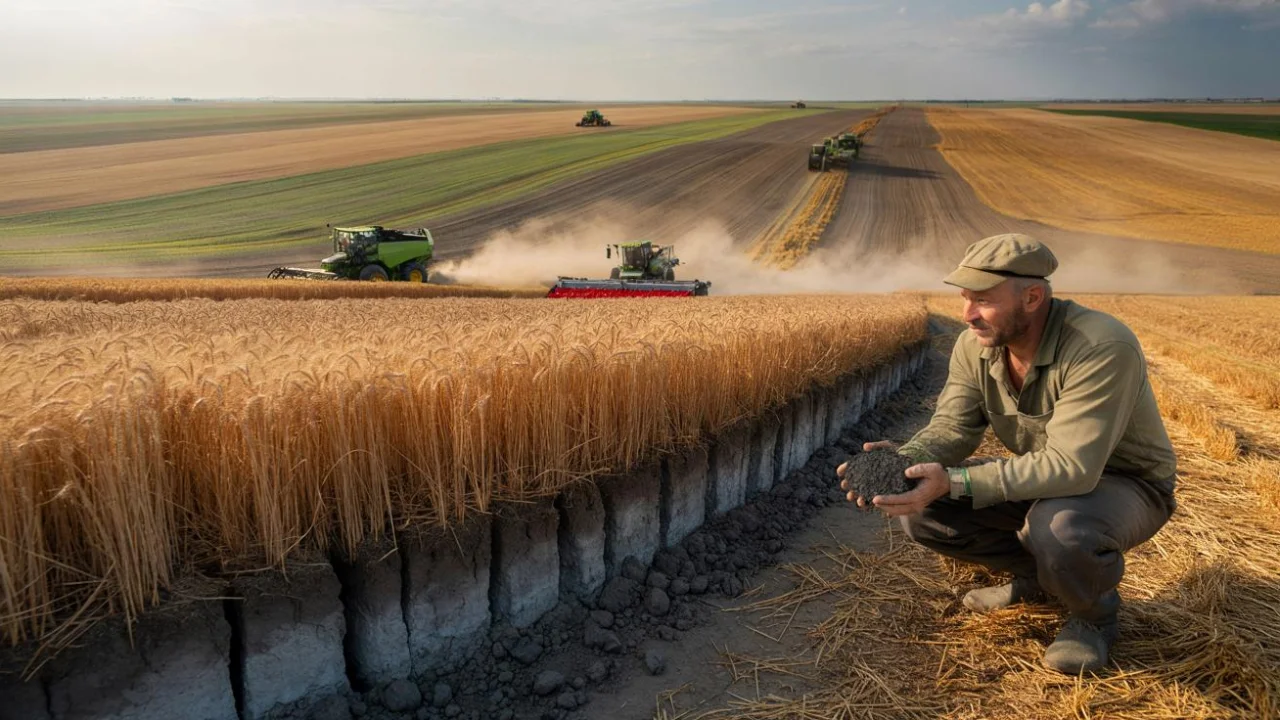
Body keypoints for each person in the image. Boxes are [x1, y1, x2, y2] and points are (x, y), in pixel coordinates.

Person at [838, 233, 1178, 674]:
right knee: (925, 513)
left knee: (1059, 528)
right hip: (1042, 478)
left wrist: (957, 479)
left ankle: (1094, 616)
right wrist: (908, 460)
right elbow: (954, 426)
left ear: (1033, 297)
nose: (968, 315)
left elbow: (1074, 468)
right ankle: (1043, 579)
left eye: (982, 300)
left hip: (1124, 484)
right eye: (964, 299)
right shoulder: (975, 347)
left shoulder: (1099, 347)